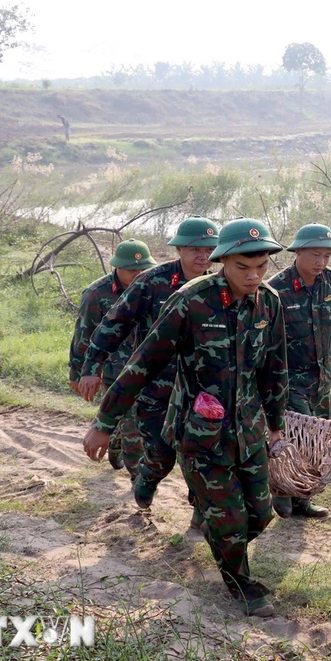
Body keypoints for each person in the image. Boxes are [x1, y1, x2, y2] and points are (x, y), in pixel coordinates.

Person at [81, 217, 288, 617]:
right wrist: (104, 424)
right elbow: (142, 362)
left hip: (247, 429)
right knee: (230, 520)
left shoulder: (269, 302)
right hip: (200, 433)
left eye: (261, 267)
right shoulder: (192, 300)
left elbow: (274, 368)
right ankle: (241, 583)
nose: (254, 276)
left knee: (261, 514)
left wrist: (276, 425)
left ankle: (218, 531)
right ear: (222, 261)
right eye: (243, 268)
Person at [79, 216, 218, 523]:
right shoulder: (152, 282)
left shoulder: (219, 286)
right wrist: (91, 366)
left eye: (209, 249)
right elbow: (113, 325)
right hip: (155, 386)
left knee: (202, 452)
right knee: (160, 450)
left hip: (201, 389)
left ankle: (202, 510)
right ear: (179, 248)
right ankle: (148, 476)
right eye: (195, 248)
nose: (202, 256)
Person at [267, 223, 331, 519]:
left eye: (327, 256)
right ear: (298, 252)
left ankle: (302, 498)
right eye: (316, 255)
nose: (321, 262)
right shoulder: (276, 289)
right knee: (294, 437)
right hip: (288, 380)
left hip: (322, 380)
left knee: (317, 441)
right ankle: (280, 490)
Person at [68, 239, 157, 470]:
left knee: (143, 422)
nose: (137, 275)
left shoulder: (156, 287)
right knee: (132, 424)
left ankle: (117, 437)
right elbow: (83, 335)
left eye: (142, 270)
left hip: (149, 368)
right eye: (131, 270)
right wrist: (79, 372)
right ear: (116, 267)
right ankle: (138, 478)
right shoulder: (97, 294)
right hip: (115, 370)